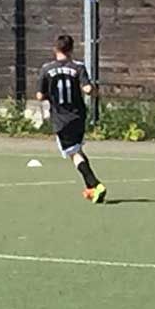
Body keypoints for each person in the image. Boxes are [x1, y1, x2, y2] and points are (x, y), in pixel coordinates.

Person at [36, 34, 105, 203]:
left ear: (55, 49)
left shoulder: (46, 69)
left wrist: (50, 96)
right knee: (77, 149)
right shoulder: (78, 67)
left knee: (74, 154)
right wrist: (95, 92)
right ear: (72, 49)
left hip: (61, 118)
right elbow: (87, 89)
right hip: (78, 116)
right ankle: (90, 188)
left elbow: (39, 96)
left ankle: (96, 184)